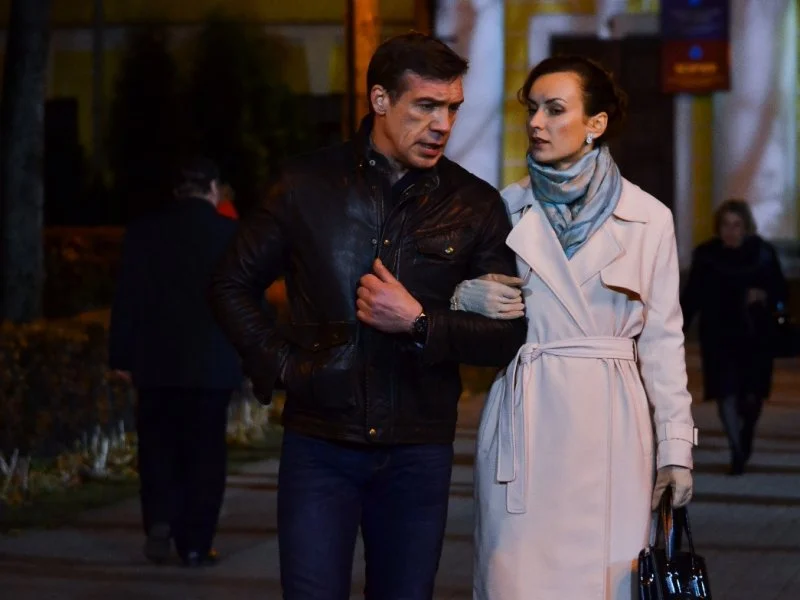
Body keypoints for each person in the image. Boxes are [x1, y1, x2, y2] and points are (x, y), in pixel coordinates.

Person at [208, 32, 526, 600]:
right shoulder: (304, 185)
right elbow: (230, 283)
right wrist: (283, 367)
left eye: (452, 108)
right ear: (380, 99)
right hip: (320, 445)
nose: (442, 124)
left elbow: (507, 336)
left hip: (418, 451)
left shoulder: (474, 204)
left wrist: (421, 322)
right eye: (425, 106)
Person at [450, 56, 697, 599]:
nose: (537, 123)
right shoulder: (503, 208)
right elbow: (458, 308)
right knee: (514, 579)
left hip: (614, 432)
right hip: (525, 424)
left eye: (555, 109)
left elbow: (663, 342)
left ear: (595, 124)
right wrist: (460, 296)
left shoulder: (648, 217)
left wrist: (676, 448)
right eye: (532, 109)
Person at [108, 158, 242, 567]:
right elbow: (244, 301)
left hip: (156, 361)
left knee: (157, 447)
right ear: (213, 189)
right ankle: (196, 542)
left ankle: (160, 519)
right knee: (205, 454)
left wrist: (122, 354)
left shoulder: (144, 232)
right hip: (210, 363)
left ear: (176, 191)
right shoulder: (230, 235)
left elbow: (127, 297)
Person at [681, 199, 788, 475]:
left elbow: (780, 291)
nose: (731, 231)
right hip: (718, 334)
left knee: (752, 397)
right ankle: (736, 451)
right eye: (726, 225)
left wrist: (764, 296)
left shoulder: (762, 254)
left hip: (755, 335)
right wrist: (677, 330)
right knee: (725, 393)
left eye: (736, 225)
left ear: (746, 226)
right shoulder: (707, 256)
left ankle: (746, 433)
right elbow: (692, 296)